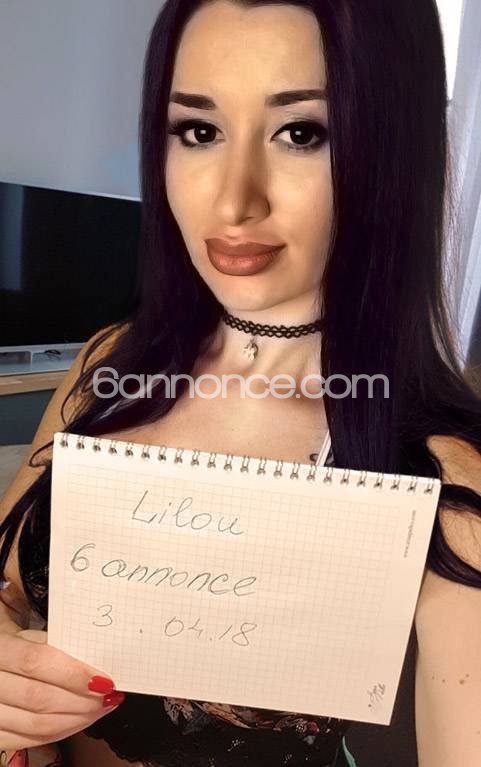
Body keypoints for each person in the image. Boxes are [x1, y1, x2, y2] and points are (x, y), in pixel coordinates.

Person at [1, 0, 481, 765]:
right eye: (198, 130)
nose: (232, 200)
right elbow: (7, 587)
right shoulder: (110, 364)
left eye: (301, 133)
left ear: (393, 151)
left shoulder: (444, 477)